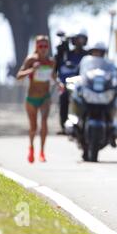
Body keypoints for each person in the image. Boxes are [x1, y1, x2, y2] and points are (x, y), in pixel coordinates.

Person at [16, 35, 56, 163]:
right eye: (40, 46)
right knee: (33, 127)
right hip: (32, 98)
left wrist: (59, 84)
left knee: (44, 123)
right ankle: (31, 147)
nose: (43, 49)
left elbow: (54, 76)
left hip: (45, 97)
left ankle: (42, 152)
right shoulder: (31, 60)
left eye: (45, 46)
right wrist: (32, 69)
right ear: (36, 47)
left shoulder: (51, 62)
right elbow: (18, 76)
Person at [79, 42, 117, 146]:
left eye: (99, 52)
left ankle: (115, 127)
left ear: (103, 53)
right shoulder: (86, 63)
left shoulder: (109, 65)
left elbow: (116, 73)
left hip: (103, 93)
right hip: (89, 92)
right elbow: (80, 74)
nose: (97, 53)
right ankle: (75, 122)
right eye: (95, 51)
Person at [54, 30, 88, 134]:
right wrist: (63, 45)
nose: (79, 42)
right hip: (69, 85)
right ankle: (64, 126)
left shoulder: (87, 55)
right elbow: (57, 64)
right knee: (64, 97)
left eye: (82, 39)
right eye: (77, 39)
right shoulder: (66, 54)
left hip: (83, 85)